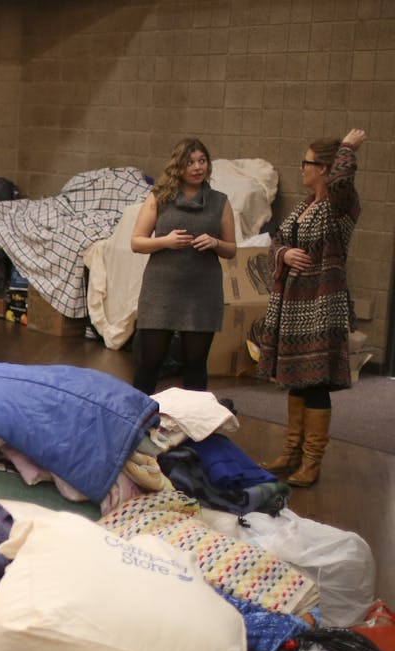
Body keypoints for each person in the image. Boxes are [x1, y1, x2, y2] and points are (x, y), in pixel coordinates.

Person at [254, 128, 367, 487]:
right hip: (293, 304)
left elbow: (342, 183)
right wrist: (284, 253)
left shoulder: (339, 205)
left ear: (325, 169)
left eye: (308, 162)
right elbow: (277, 244)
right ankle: (291, 453)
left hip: (320, 304)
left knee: (315, 382)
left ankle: (312, 461)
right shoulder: (305, 207)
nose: (301, 168)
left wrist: (347, 149)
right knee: (296, 382)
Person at [130, 138, 237, 395]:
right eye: (190, 162)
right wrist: (165, 241)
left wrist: (215, 242)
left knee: (195, 365)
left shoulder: (220, 201)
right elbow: (136, 242)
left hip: (202, 292)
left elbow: (232, 249)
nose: (198, 167)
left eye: (202, 161)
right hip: (161, 291)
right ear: (178, 166)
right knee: (149, 362)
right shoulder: (159, 197)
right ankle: (135, 420)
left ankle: (194, 428)